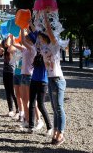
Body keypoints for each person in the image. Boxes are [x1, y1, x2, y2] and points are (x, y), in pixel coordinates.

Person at [37, 9, 67, 146]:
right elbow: (33, 30)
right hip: (50, 79)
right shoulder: (43, 48)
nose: (39, 38)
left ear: (46, 36)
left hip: (58, 79)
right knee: (55, 108)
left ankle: (60, 133)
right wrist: (36, 18)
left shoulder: (54, 45)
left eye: (41, 36)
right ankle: (56, 131)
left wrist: (45, 17)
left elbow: (48, 31)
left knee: (59, 108)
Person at [28, 35, 53, 136]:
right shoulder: (36, 51)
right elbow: (33, 35)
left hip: (43, 81)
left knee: (41, 105)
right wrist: (25, 27)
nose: (39, 42)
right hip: (34, 80)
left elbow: (39, 34)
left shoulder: (47, 52)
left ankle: (49, 127)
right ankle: (31, 126)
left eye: (42, 41)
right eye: (39, 41)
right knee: (32, 103)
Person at [0, 35, 19, 117]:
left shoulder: (12, 48)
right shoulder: (5, 49)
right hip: (5, 72)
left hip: (12, 72)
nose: (5, 42)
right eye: (4, 41)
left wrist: (10, 34)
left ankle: (18, 111)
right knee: (7, 91)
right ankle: (10, 110)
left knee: (13, 92)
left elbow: (8, 43)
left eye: (5, 41)